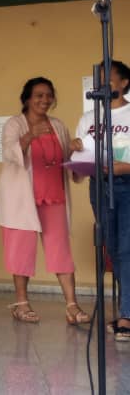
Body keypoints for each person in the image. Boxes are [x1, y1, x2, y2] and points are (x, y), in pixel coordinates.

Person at [0, 77, 90, 327]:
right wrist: (29, 136)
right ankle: (21, 304)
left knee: (61, 251)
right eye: (39, 95)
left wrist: (76, 149)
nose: (45, 100)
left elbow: (67, 160)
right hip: (20, 200)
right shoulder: (14, 124)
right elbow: (9, 153)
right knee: (21, 251)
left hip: (54, 196)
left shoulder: (58, 125)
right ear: (27, 99)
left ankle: (72, 306)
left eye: (49, 95)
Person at [73, 62, 130, 339]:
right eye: (99, 82)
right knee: (116, 250)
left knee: (128, 248)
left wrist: (125, 168)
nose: (102, 87)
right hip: (99, 187)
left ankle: (127, 316)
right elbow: (81, 157)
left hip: (128, 185)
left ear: (124, 83)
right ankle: (125, 312)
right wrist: (75, 155)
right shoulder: (88, 118)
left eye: (108, 81)